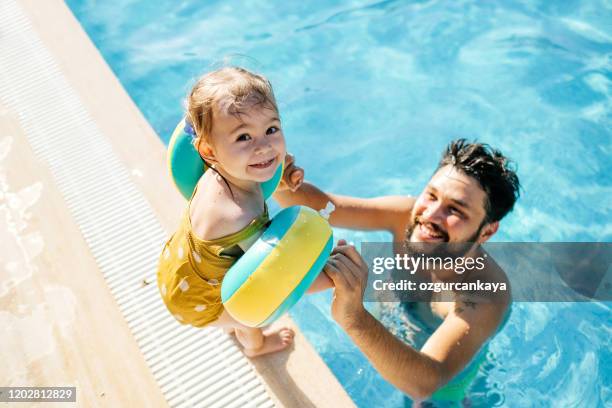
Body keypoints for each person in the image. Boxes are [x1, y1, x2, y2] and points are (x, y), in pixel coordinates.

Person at [275, 140, 520, 401]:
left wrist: (353, 316)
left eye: (455, 210)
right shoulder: (405, 216)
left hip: (445, 386)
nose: (430, 216)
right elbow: (323, 205)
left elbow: (427, 382)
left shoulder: (485, 294)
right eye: (431, 195)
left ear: (487, 231)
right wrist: (280, 181)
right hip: (399, 322)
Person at [156, 67, 330, 357]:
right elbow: (276, 275)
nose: (264, 147)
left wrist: (282, 176)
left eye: (271, 130)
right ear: (209, 151)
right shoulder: (237, 215)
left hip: (176, 271)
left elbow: (257, 174)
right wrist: (330, 272)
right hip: (200, 301)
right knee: (249, 317)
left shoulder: (214, 172)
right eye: (243, 138)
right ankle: (256, 347)